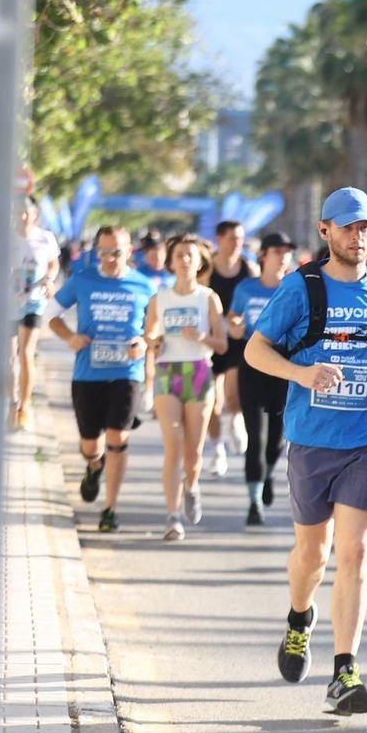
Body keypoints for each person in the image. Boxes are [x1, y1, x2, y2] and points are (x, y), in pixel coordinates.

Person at [245, 187, 367, 716]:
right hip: (311, 441)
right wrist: (301, 372)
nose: (358, 235)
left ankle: (344, 669)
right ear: (325, 231)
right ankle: (300, 617)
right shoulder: (300, 289)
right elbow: (256, 350)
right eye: (347, 226)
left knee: (356, 552)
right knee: (312, 555)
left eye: (366, 225)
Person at [43, 226, 157, 533]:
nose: (109, 259)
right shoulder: (83, 280)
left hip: (126, 373)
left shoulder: (144, 285)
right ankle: (94, 467)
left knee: (118, 438)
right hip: (88, 373)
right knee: (91, 444)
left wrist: (144, 343)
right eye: (104, 252)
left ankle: (110, 509)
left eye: (116, 252)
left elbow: (156, 329)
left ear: (129, 251)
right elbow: (50, 314)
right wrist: (69, 337)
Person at [144, 235, 228, 541]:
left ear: (200, 262)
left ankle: (192, 485)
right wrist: (154, 342)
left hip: (198, 371)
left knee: (193, 456)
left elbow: (222, 344)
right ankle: (173, 516)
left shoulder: (207, 298)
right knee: (173, 446)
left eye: (191, 255)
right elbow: (148, 336)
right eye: (179, 255)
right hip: (168, 372)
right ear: (171, 262)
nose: (185, 260)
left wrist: (201, 337)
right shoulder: (160, 298)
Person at [229, 233, 296, 528]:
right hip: (253, 363)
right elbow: (232, 321)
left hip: (285, 365)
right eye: (277, 251)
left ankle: (268, 473)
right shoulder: (246, 288)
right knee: (255, 436)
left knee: (276, 438)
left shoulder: (296, 286)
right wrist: (233, 326)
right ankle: (254, 501)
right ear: (263, 256)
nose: (283, 256)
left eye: (287, 251)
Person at [206, 220, 257, 480]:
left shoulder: (249, 269)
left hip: (239, 339)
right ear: (219, 239)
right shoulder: (207, 268)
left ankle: (237, 422)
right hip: (211, 339)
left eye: (240, 238)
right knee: (213, 401)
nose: (237, 243)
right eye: (232, 238)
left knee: (233, 396)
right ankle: (217, 448)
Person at [11, 196, 61, 431]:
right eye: (18, 211)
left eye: (26, 211)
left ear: (34, 213)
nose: (22, 216)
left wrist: (50, 279)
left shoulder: (45, 238)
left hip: (33, 301)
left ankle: (24, 407)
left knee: (26, 354)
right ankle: (12, 404)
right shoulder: (4, 236)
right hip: (7, 303)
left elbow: (53, 264)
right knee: (9, 358)